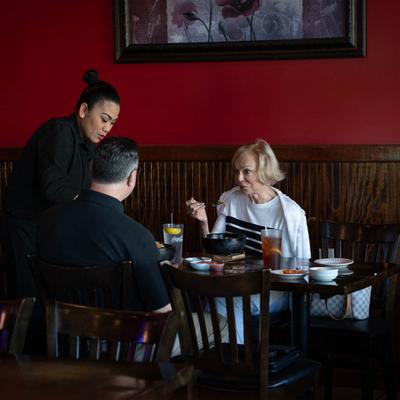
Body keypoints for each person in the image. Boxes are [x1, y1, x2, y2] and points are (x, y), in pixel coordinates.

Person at [1, 69, 120, 298]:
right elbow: (53, 188)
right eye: (104, 119)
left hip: (48, 230)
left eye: (113, 123)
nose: (108, 128)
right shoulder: (59, 130)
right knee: (29, 303)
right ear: (84, 110)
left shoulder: (88, 146)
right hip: (24, 227)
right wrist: (92, 207)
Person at [186, 139, 311, 343]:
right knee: (208, 295)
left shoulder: (290, 214)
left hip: (276, 291)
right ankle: (218, 360)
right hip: (233, 282)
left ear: (265, 171)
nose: (239, 178)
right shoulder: (230, 199)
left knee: (227, 299)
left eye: (246, 172)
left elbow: (302, 269)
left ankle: (233, 361)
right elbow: (215, 251)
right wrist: (203, 221)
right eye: (236, 171)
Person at [37, 137, 171, 313]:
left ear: (91, 168)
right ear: (133, 177)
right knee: (219, 325)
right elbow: (162, 314)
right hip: (124, 338)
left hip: (58, 337)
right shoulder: (137, 236)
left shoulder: (46, 220)